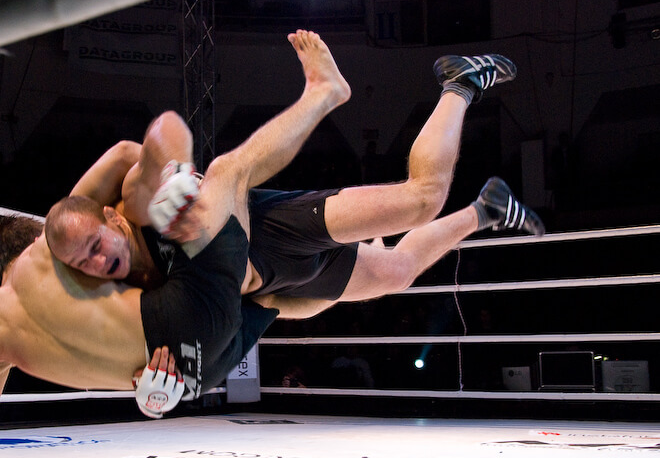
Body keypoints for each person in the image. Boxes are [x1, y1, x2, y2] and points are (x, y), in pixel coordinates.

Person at [0, 29, 352, 458]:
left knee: (270, 297)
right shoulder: (53, 247)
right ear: (39, 237)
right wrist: (174, 176)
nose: (88, 264)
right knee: (232, 178)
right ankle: (324, 107)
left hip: (181, 381)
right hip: (174, 319)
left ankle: (346, 261)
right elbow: (127, 153)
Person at [50, 49, 544, 321]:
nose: (96, 262)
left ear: (111, 218)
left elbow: (144, 143)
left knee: (421, 200)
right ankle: (485, 209)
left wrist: (177, 174)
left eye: (95, 245)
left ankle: (458, 84)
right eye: (82, 262)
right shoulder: (110, 287)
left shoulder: (134, 206)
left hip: (274, 228)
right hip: (276, 282)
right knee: (397, 271)